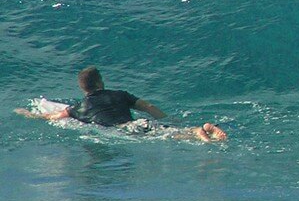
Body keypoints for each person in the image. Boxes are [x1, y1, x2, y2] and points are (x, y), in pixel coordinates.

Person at [15, 66, 227, 142]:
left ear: (84, 88)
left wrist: (28, 113)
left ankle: (201, 132)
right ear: (100, 82)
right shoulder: (120, 94)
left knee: (166, 137)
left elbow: (52, 116)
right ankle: (200, 130)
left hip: (124, 130)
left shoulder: (80, 107)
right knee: (166, 130)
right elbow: (148, 107)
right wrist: (168, 118)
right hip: (140, 122)